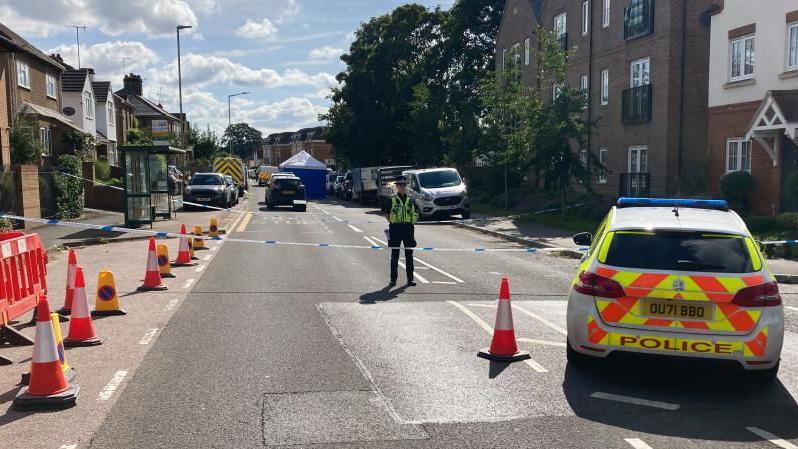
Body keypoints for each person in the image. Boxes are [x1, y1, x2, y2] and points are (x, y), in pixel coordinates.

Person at [386, 176, 418, 287]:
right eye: (400, 185)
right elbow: (386, 213)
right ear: (397, 186)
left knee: (409, 255)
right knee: (395, 255)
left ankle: (410, 279)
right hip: (395, 229)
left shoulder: (411, 199)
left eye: (403, 185)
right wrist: (393, 222)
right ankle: (393, 280)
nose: (402, 187)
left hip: (408, 229)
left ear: (406, 186)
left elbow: (415, 213)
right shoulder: (392, 199)